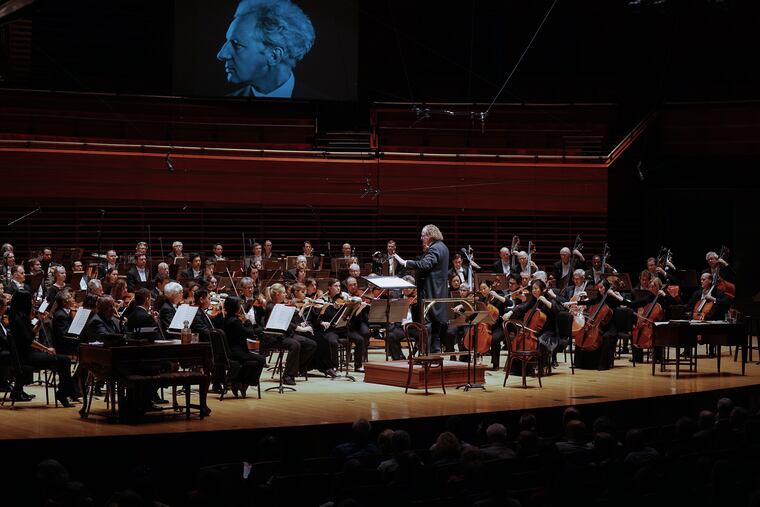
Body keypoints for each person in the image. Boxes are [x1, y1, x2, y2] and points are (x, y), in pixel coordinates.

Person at [217, 0, 316, 98]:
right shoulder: (223, 107)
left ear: (274, 56)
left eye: (236, 44)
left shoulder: (322, 105)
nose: (221, 54)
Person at [8, 291, 76, 406]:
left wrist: (39, 323)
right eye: (30, 300)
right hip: (27, 357)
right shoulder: (19, 320)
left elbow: (29, 336)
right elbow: (29, 341)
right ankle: (64, 394)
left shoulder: (18, 317)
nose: (32, 303)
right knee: (64, 360)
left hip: (26, 354)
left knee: (63, 360)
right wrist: (46, 349)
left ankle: (66, 393)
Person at [393, 224, 450, 353]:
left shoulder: (434, 248)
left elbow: (425, 264)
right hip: (439, 292)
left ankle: (426, 356)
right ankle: (434, 354)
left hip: (431, 292)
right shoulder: (443, 247)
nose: (421, 238)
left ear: (430, 235)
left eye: (423, 235)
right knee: (436, 326)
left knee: (428, 325)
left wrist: (405, 263)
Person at [222, 296, 266, 396]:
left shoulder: (226, 319)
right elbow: (250, 333)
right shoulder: (235, 322)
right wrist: (248, 322)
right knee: (261, 359)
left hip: (230, 350)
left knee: (253, 360)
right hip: (237, 352)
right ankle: (244, 382)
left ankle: (238, 381)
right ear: (236, 308)